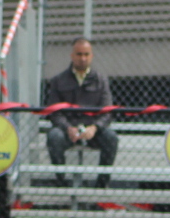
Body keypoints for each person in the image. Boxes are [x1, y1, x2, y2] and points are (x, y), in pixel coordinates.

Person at [42, 39, 119, 189]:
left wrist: (94, 128)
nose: (83, 58)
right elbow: (54, 112)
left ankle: (101, 185)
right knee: (54, 137)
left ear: (92, 56)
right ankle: (61, 183)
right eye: (79, 54)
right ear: (72, 56)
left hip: (93, 131)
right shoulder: (58, 80)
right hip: (68, 131)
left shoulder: (101, 80)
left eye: (86, 54)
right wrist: (67, 128)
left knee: (111, 138)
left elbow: (107, 112)